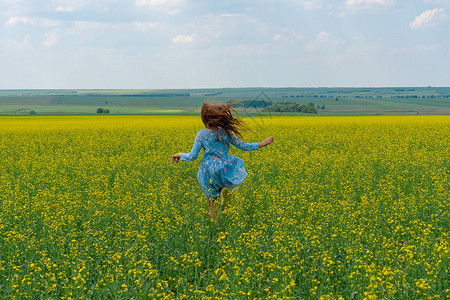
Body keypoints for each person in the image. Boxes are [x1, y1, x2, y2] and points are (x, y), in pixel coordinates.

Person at [169, 101, 274, 223]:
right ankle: (224, 192)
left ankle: (217, 229)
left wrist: (180, 155)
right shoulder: (226, 132)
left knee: (211, 205)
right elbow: (242, 146)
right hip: (224, 169)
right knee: (223, 184)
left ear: (205, 119)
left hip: (208, 172)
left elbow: (193, 156)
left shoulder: (201, 134)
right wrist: (261, 143)